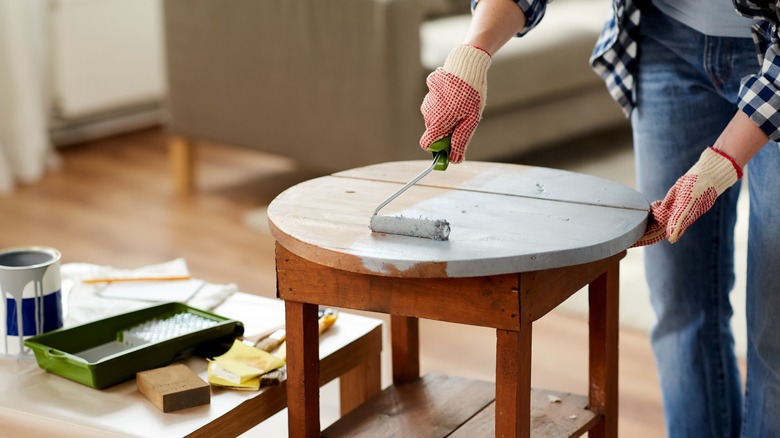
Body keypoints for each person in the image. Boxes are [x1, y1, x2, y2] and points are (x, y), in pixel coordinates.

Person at [418, 0, 780, 436]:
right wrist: (472, 52)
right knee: (679, 303)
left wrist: (725, 158)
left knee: (773, 329)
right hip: (665, 35)